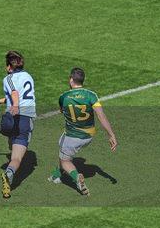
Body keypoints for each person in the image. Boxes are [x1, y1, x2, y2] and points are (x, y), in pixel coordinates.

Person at [48, 67, 118, 196]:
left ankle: (76, 177)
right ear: (82, 80)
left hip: (72, 136)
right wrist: (111, 134)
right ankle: (57, 175)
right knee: (63, 148)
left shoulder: (63, 97)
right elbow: (101, 116)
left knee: (65, 160)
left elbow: (62, 111)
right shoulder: (91, 95)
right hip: (88, 136)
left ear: (71, 80)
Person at [0, 51, 36, 199]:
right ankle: (9, 174)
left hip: (15, 116)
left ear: (9, 67)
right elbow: (17, 94)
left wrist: (15, 106)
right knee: (16, 158)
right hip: (26, 119)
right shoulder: (28, 77)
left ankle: (7, 133)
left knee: (8, 131)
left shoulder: (9, 78)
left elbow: (14, 93)